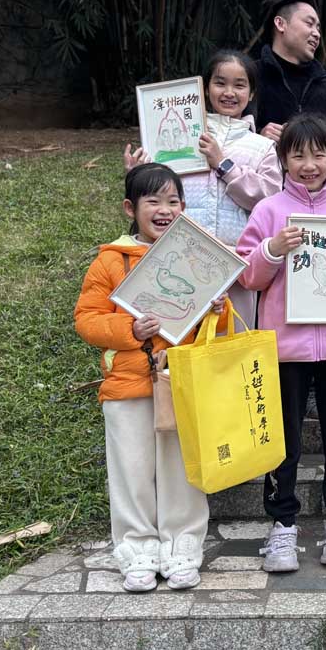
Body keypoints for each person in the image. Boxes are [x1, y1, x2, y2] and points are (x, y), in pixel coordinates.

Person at [74, 163, 227, 592]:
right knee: (132, 470)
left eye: (173, 201)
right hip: (127, 386)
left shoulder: (195, 256)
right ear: (131, 208)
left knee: (182, 469)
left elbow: (209, 327)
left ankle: (183, 548)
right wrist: (130, 329)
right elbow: (87, 320)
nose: (164, 210)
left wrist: (218, 310)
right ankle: (137, 552)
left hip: (180, 381)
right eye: (153, 201)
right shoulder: (111, 260)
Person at [236, 114, 326, 572]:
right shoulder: (268, 212)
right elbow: (248, 275)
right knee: (283, 442)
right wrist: (273, 249)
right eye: (298, 155)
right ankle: (282, 525)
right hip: (284, 349)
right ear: (283, 160)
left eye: (318, 154)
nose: (309, 164)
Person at [123, 49, 281, 322]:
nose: (229, 92)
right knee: (178, 328)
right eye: (220, 83)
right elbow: (158, 193)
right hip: (180, 257)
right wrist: (138, 173)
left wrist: (224, 165)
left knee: (232, 335)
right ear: (205, 89)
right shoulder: (184, 137)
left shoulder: (263, 147)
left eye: (239, 85)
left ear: (252, 92)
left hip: (236, 264)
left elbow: (270, 201)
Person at [252, 0, 326, 203]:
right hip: (261, 203)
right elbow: (227, 138)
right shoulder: (251, 77)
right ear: (280, 24)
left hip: (318, 210)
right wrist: (257, 138)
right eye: (309, 23)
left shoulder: (325, 88)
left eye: (318, 27)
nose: (317, 33)